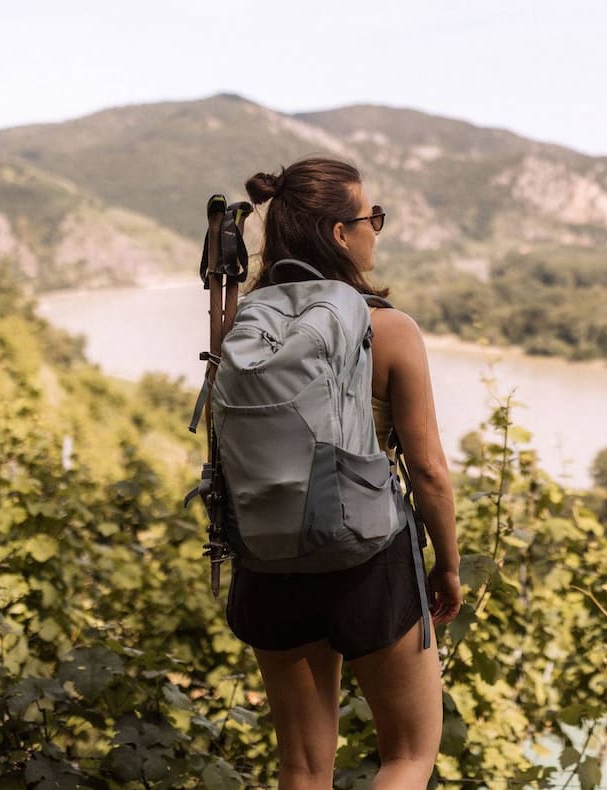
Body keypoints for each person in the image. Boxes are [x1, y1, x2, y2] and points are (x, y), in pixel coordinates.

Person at [225, 157, 463, 790]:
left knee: (302, 767)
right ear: (339, 233)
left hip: (267, 554)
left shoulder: (243, 329)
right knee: (409, 755)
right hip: (369, 558)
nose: (375, 231)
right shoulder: (388, 330)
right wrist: (449, 565)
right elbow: (431, 472)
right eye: (371, 218)